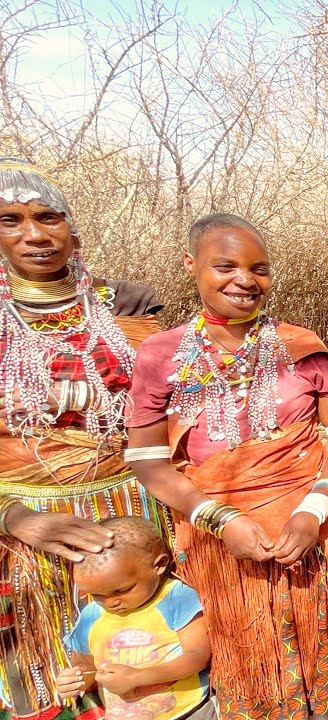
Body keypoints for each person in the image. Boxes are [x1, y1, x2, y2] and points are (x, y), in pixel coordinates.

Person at [125, 213, 328, 720]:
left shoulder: (303, 346)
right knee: (248, 668)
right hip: (221, 543)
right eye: (225, 266)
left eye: (258, 269)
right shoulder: (160, 353)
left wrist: (312, 512)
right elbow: (147, 462)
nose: (245, 280)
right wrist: (223, 520)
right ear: (190, 265)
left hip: (315, 532)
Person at [0, 158, 168, 720]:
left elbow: (173, 410)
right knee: (52, 680)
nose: (34, 234)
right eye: (10, 220)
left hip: (135, 513)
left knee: (154, 667)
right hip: (26, 529)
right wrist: (18, 518)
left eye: (48, 217)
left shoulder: (130, 305)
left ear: (74, 229)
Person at [55, 516, 213, 720]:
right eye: (98, 595)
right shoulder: (91, 615)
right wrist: (72, 681)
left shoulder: (175, 597)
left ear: (159, 565)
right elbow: (85, 667)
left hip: (189, 712)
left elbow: (198, 655)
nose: (111, 602)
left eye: (122, 590)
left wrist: (137, 678)